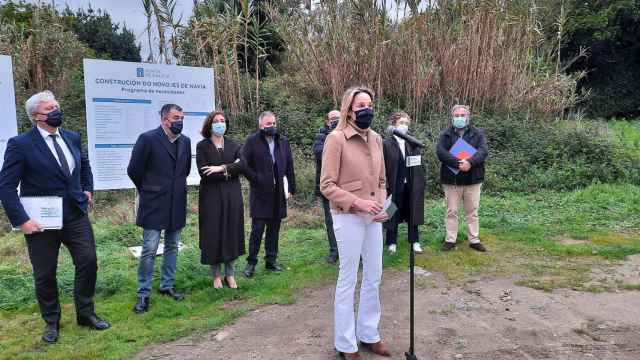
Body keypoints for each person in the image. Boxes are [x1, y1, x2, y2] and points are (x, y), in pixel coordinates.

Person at [0, 90, 110, 344]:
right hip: (41, 221)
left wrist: (88, 189)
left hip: (74, 214)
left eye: (57, 106)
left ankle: (86, 313)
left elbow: (84, 165)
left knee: (88, 261)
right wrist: (22, 220)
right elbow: (6, 187)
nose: (56, 111)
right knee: (45, 273)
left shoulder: (72, 136)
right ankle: (52, 321)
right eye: (50, 109)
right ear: (36, 116)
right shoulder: (21, 144)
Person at [320, 86, 391, 359]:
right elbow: (326, 185)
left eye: (369, 104)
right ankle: (346, 343)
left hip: (374, 218)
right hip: (348, 216)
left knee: (374, 275)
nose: (366, 109)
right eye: (360, 105)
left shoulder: (376, 138)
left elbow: (382, 179)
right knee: (348, 278)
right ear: (349, 109)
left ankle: (369, 333)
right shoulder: (335, 139)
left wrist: (382, 205)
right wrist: (357, 202)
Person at [128, 103, 191, 313]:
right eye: (175, 117)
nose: (179, 121)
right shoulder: (147, 139)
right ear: (164, 119)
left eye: (181, 117)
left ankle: (167, 286)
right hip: (154, 202)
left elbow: (185, 171)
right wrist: (149, 189)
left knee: (173, 246)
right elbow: (134, 170)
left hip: (177, 202)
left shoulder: (186, 141)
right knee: (150, 249)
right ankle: (143, 293)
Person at [241, 111, 296, 278]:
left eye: (273, 123)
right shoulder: (252, 141)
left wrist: (292, 187)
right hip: (260, 192)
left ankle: (271, 261)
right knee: (257, 229)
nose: (271, 126)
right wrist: (255, 179)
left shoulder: (283, 141)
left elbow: (289, 166)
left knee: (274, 228)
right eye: (268, 124)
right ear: (260, 126)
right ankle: (251, 263)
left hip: (278, 192)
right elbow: (244, 164)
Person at [196, 111, 245, 289]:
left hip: (232, 194)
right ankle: (216, 275)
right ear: (209, 125)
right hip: (211, 196)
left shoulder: (234, 145)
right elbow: (204, 172)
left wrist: (221, 168)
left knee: (232, 231)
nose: (220, 124)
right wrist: (230, 171)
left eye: (223, 121)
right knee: (213, 233)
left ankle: (230, 274)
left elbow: (243, 165)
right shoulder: (202, 146)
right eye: (216, 121)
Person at [436, 105, 488, 252]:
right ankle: (450, 239)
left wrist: (470, 163)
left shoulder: (477, 134)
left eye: (462, 115)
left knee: (472, 211)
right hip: (452, 181)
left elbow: (483, 151)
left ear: (468, 116)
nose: (460, 118)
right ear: (452, 117)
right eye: (457, 115)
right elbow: (441, 152)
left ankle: (474, 239)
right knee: (451, 211)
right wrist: (458, 164)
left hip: (473, 179)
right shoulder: (445, 134)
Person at [382, 112, 425, 255]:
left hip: (411, 185)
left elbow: (419, 164)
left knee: (413, 212)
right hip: (393, 185)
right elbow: (382, 167)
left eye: (406, 123)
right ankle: (391, 242)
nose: (404, 126)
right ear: (393, 124)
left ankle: (414, 241)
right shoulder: (386, 144)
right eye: (401, 123)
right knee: (391, 212)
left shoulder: (412, 143)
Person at [313, 110, 340, 264]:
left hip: (345, 187)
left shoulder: (348, 134)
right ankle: (334, 251)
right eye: (332, 119)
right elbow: (318, 152)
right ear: (327, 121)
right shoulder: (321, 135)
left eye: (338, 118)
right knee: (331, 221)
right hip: (327, 186)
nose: (335, 121)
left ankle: (350, 250)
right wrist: (333, 138)